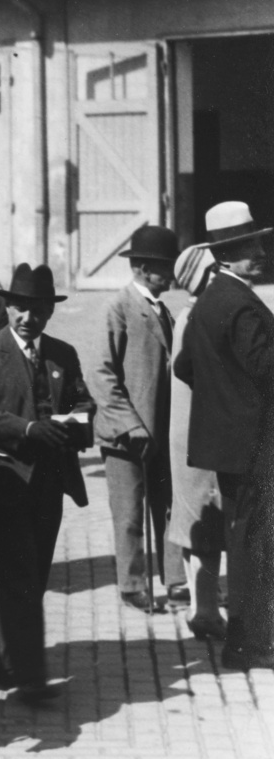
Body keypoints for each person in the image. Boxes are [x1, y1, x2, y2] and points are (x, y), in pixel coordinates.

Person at [0, 263, 94, 700]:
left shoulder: (62, 354)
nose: (26, 318)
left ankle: (1, 663)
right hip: (1, 477)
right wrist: (27, 428)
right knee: (15, 574)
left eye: (36, 310)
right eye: (19, 308)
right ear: (7, 306)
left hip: (49, 481)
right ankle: (29, 676)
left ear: (48, 312)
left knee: (31, 575)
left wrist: (78, 422)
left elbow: (82, 401)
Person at [172, 201, 274, 669]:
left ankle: (244, 639)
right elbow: (265, 368)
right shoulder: (241, 303)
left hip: (229, 445)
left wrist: (222, 400)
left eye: (256, 241)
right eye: (246, 246)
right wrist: (240, 402)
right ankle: (249, 644)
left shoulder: (209, 300)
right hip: (256, 443)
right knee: (255, 542)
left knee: (244, 537)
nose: (259, 251)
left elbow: (185, 366)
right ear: (225, 255)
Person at [92, 224, 186, 612]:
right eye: (165, 268)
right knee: (129, 513)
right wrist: (130, 424)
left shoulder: (166, 310)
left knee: (168, 508)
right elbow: (100, 373)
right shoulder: (119, 308)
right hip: (126, 436)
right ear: (144, 269)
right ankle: (133, 586)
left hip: (161, 433)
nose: (172, 275)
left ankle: (177, 581)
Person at [166, 243, 228, 640]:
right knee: (205, 522)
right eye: (213, 269)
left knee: (195, 521)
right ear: (202, 276)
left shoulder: (187, 314)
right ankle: (205, 610)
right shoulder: (200, 317)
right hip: (200, 437)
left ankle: (199, 606)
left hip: (186, 434)